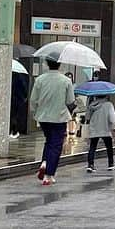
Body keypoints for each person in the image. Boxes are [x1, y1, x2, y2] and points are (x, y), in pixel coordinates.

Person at [30, 57, 76, 185]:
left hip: (43, 117)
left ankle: (45, 161)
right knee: (56, 145)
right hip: (59, 117)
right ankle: (49, 174)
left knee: (49, 140)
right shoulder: (66, 81)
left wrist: (35, 111)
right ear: (59, 65)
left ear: (47, 65)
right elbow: (70, 100)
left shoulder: (40, 79)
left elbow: (33, 100)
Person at [85, 92, 115, 172]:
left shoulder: (91, 105)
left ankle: (90, 165)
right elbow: (112, 118)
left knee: (92, 147)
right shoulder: (108, 105)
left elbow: (87, 117)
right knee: (109, 147)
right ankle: (110, 164)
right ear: (106, 95)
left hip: (94, 128)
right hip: (105, 128)